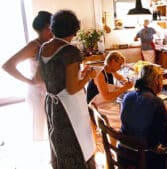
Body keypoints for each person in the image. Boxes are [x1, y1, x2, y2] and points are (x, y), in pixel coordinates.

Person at [34, 10, 97, 168]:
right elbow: (72, 88)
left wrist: (76, 76)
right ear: (74, 30)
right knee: (76, 142)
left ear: (53, 27)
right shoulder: (70, 51)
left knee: (58, 142)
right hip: (67, 106)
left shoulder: (44, 48)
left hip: (51, 102)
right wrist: (87, 77)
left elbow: (40, 78)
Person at [2, 11, 52, 141]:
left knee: (50, 128)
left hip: (48, 91)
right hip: (37, 93)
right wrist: (29, 81)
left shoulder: (49, 44)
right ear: (47, 27)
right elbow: (8, 66)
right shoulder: (34, 45)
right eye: (52, 26)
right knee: (41, 129)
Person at [120, 65, 167, 169]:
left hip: (123, 153)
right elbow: (164, 139)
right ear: (156, 80)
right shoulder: (157, 102)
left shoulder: (127, 96)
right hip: (143, 158)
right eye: (161, 78)